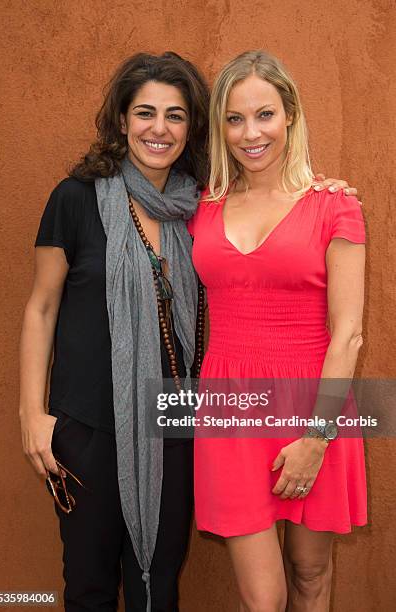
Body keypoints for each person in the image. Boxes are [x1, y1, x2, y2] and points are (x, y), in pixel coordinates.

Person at [19, 50, 359, 612]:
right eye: (145, 112)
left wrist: (323, 195)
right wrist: (33, 415)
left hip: (176, 419)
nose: (159, 128)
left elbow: (286, 233)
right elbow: (40, 308)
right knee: (89, 585)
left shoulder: (193, 204)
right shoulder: (77, 199)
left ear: (192, 128)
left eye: (175, 115)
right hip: (88, 422)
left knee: (162, 584)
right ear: (122, 119)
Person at [189, 50, 366, 612]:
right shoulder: (202, 207)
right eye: (235, 119)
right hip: (230, 409)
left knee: (311, 573)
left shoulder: (335, 206)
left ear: (289, 113)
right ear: (221, 127)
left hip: (315, 404)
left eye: (264, 114)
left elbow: (349, 336)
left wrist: (316, 439)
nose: (250, 133)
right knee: (262, 598)